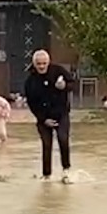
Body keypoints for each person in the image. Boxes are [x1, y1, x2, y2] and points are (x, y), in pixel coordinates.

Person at [22, 49, 75, 181]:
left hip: (61, 114)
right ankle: (47, 175)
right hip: (43, 117)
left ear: (49, 62)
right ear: (34, 64)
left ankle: (66, 170)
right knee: (46, 145)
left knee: (63, 139)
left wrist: (64, 86)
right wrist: (43, 119)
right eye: (39, 64)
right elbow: (32, 104)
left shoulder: (58, 71)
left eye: (44, 63)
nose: (41, 66)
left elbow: (72, 84)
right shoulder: (30, 81)